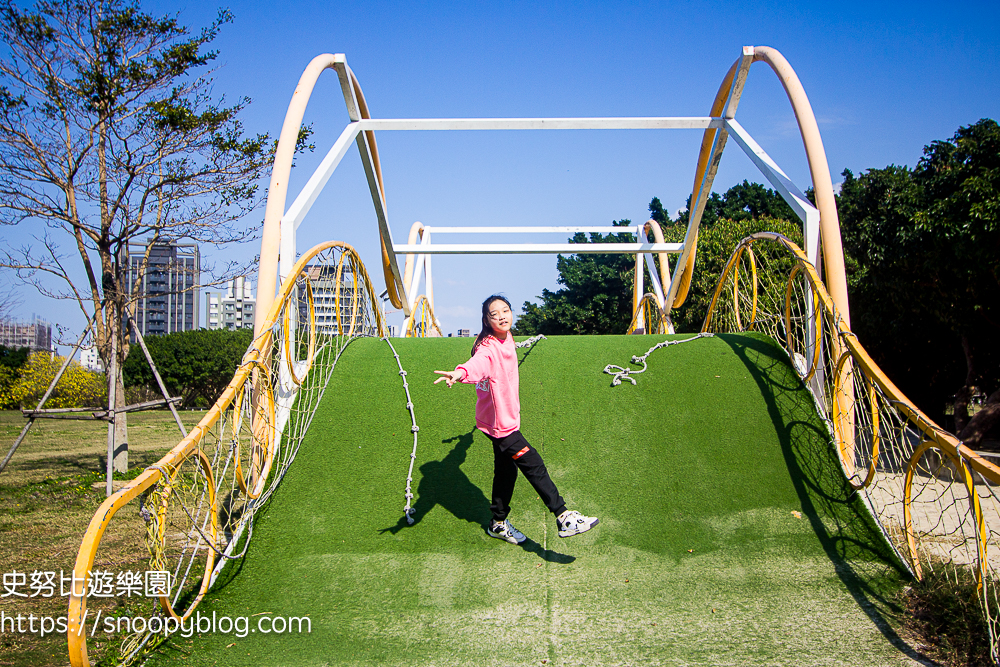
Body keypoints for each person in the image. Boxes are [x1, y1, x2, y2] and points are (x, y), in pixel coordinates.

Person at [434, 294, 599, 544]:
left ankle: (498, 522)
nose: (501, 316)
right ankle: (563, 516)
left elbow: (454, 459)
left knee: (505, 472)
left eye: (505, 311)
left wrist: (461, 446)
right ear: (487, 321)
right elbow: (477, 363)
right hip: (501, 426)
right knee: (533, 464)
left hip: (500, 419)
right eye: (494, 314)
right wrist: (460, 373)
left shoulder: (507, 337)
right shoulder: (488, 348)